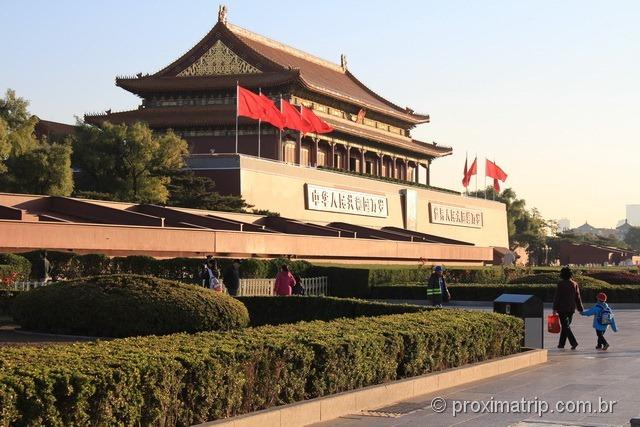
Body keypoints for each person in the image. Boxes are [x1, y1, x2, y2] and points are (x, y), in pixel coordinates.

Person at [552, 266, 584, 350]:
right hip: (571, 309)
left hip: (561, 309)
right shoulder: (574, 284)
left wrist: (554, 309)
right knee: (566, 326)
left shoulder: (560, 284)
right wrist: (580, 309)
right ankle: (561, 344)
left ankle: (573, 342)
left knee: (565, 326)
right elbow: (578, 297)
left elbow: (557, 297)